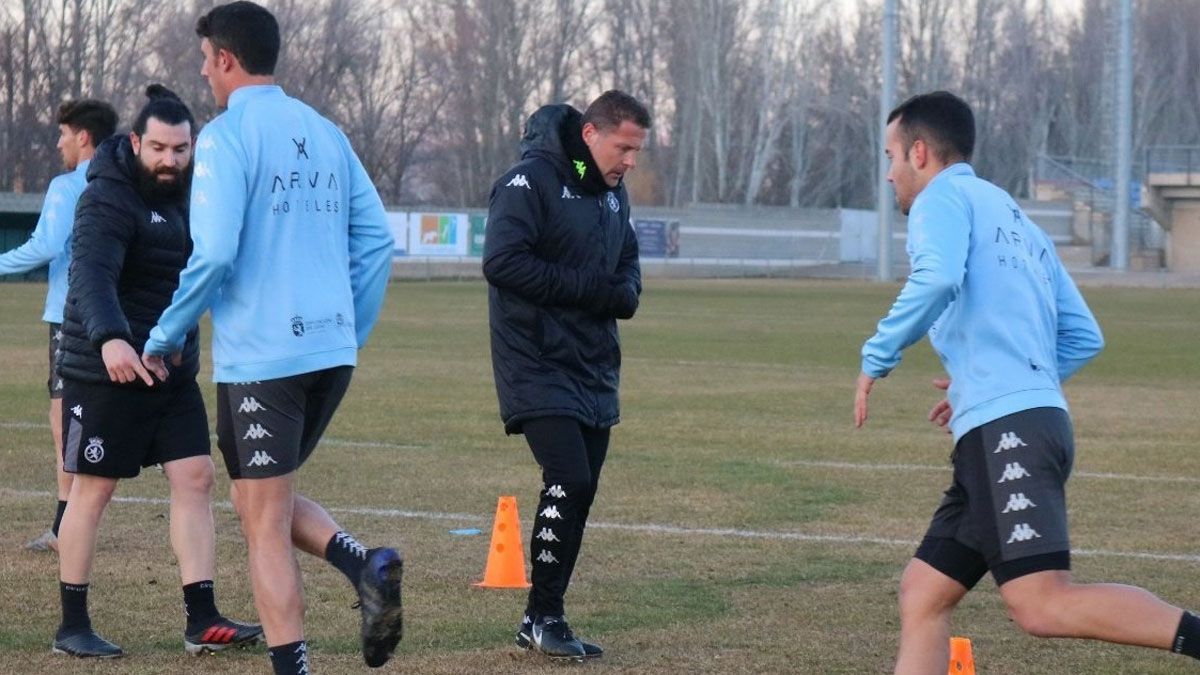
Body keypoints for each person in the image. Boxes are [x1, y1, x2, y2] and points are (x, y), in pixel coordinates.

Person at [853, 90, 1200, 673]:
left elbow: (936, 279)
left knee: (1042, 605)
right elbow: (1084, 334)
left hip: (1006, 428)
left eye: (889, 157)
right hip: (1026, 421)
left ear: (919, 153)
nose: (888, 175)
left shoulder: (942, 199)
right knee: (924, 593)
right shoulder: (1013, 215)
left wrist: (876, 356)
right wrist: (997, 383)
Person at [140, 3, 397, 673]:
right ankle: (363, 563)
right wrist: (351, 328)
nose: (202, 71)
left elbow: (216, 252)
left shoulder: (226, 137)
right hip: (328, 354)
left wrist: (165, 333)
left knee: (262, 521)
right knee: (257, 499)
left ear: (226, 58)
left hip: (263, 360)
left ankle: (293, 665)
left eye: (205, 59)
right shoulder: (326, 131)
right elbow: (377, 241)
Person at [52, 85, 262, 658]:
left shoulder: (197, 193)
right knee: (92, 491)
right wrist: (112, 339)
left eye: (181, 149)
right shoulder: (107, 195)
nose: (170, 160)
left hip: (170, 369)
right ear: (137, 142)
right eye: (160, 148)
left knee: (196, 478)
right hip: (105, 370)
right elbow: (91, 275)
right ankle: (72, 625)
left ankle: (202, 619)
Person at [482, 90, 650, 660]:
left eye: (636, 152)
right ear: (590, 135)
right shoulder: (529, 183)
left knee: (581, 491)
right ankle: (544, 615)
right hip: (535, 361)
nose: (630, 162)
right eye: (624, 148)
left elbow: (626, 266)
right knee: (569, 478)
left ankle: (542, 620)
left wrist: (624, 292)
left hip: (593, 364)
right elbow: (502, 263)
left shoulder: (611, 194)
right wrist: (592, 291)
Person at [0, 99, 116, 552]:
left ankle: (66, 528)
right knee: (84, 420)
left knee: (65, 420)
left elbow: (46, 245)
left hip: (71, 316)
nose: (58, 143)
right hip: (112, 315)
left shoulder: (68, 185)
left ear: (83, 137)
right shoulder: (122, 180)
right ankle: (67, 525)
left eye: (63, 134)